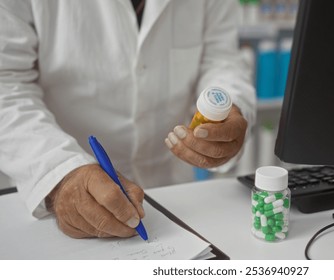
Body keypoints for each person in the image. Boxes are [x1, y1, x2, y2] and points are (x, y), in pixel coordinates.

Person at [0, 0, 256, 239]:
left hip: (173, 194)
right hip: (65, 196)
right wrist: (59, 173)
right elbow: (6, 82)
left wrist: (229, 110)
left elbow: (221, 58)